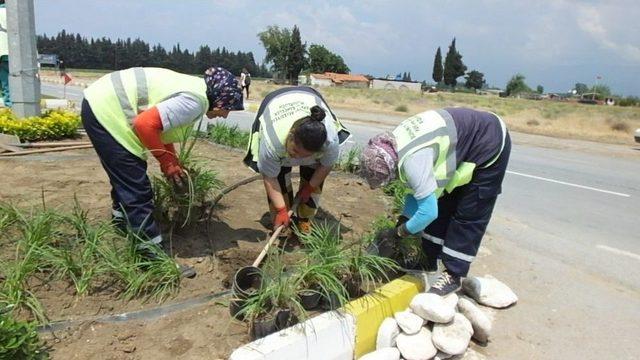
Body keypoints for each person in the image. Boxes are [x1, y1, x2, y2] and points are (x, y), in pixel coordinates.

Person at [82, 66, 243, 277]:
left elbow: (160, 127)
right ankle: (152, 259)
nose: (224, 115)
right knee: (137, 188)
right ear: (220, 99)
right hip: (107, 112)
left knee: (124, 177)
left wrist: (172, 160)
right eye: (227, 108)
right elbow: (145, 124)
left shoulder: (195, 90)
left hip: (99, 104)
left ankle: (121, 223)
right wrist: (166, 163)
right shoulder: (195, 102)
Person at [360, 107, 510, 296]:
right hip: (464, 139)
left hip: (489, 142)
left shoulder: (413, 161)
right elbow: (416, 194)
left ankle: (453, 275)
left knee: (469, 212)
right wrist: (403, 220)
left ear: (392, 168)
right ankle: (428, 260)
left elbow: (428, 212)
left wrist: (399, 233)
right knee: (443, 201)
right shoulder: (393, 145)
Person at [243, 86, 350, 236]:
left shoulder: (329, 141)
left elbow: (325, 166)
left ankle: (304, 220)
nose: (298, 159)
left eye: (306, 156)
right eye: (295, 152)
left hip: (309, 96)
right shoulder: (272, 142)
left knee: (313, 184)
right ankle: (282, 222)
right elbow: (270, 178)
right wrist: (281, 210)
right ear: (291, 136)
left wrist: (310, 187)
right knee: (279, 180)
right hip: (276, 102)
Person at [0, 0, 11, 107]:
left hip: (2, 53)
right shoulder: (15, 12)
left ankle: (9, 107)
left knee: (6, 85)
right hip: (17, 53)